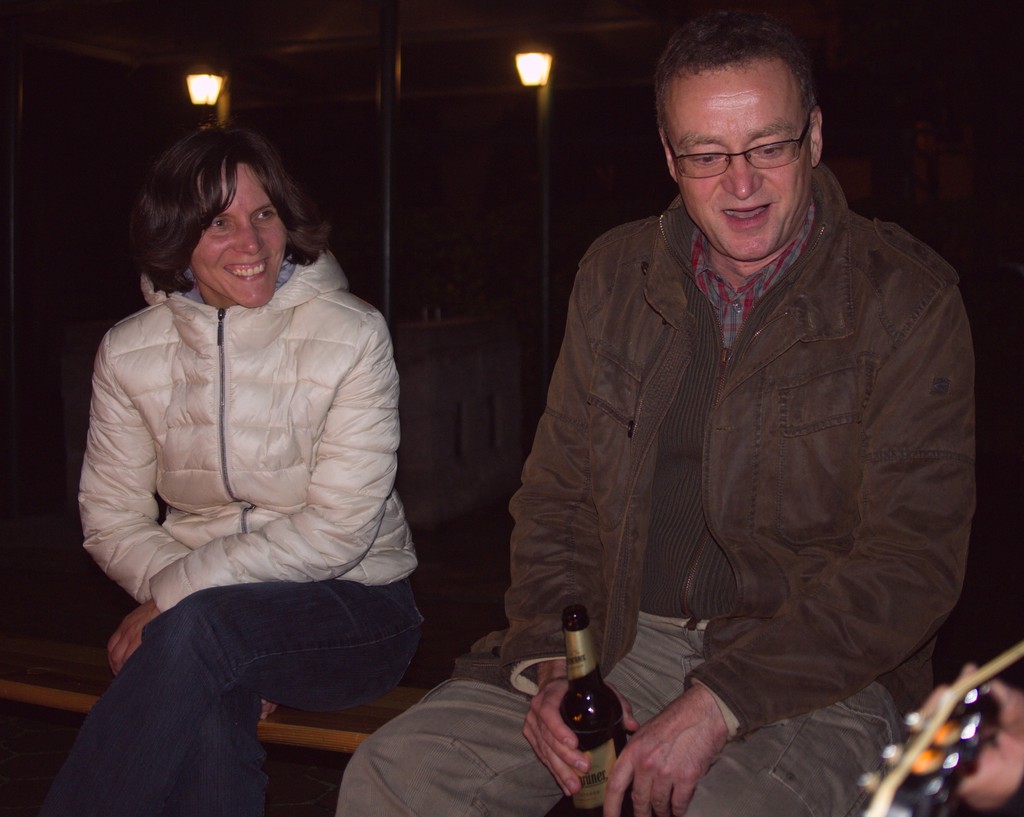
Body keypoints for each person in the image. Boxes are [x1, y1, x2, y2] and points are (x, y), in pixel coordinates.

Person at [336, 10, 975, 817]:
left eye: (768, 147)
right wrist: (554, 664)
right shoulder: (614, 275)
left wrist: (719, 702)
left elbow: (911, 560)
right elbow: (559, 500)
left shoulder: (907, 300)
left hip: (817, 673)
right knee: (396, 774)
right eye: (706, 155)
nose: (740, 184)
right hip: (620, 639)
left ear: (813, 137)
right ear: (670, 158)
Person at [40, 125, 422, 817]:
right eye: (219, 222)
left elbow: (338, 531)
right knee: (207, 686)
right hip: (206, 626)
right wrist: (193, 604)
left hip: (355, 609)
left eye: (264, 214)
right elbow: (112, 519)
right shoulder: (128, 352)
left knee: (199, 637)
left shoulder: (351, 334)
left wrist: (180, 599)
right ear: (175, 235)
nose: (251, 243)